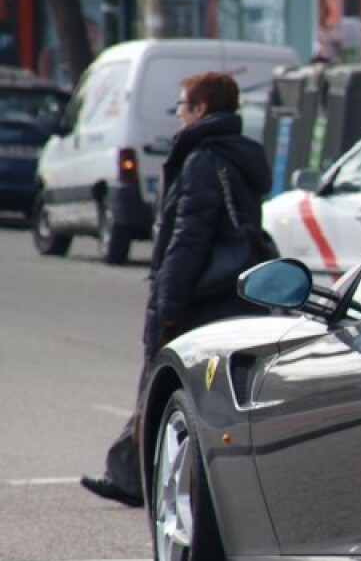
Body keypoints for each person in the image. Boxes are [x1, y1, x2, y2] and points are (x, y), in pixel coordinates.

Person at [81, 72, 274, 507]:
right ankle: (133, 470)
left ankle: (147, 476)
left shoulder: (203, 159)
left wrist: (168, 303)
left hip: (200, 296)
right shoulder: (238, 154)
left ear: (202, 109)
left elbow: (189, 237)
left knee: (170, 383)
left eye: (183, 105)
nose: (180, 114)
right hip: (229, 292)